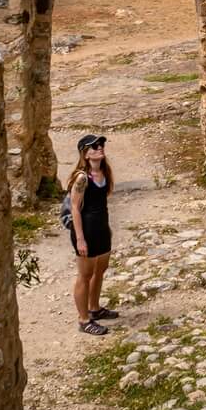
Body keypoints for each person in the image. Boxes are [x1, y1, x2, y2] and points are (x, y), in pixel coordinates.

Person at [67, 133, 116, 335]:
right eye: (94, 146)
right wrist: (80, 239)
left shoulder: (104, 173)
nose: (99, 148)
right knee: (85, 275)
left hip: (102, 229)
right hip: (86, 231)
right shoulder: (81, 178)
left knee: (100, 269)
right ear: (85, 154)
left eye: (101, 144)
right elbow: (75, 208)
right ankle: (83, 319)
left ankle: (94, 308)